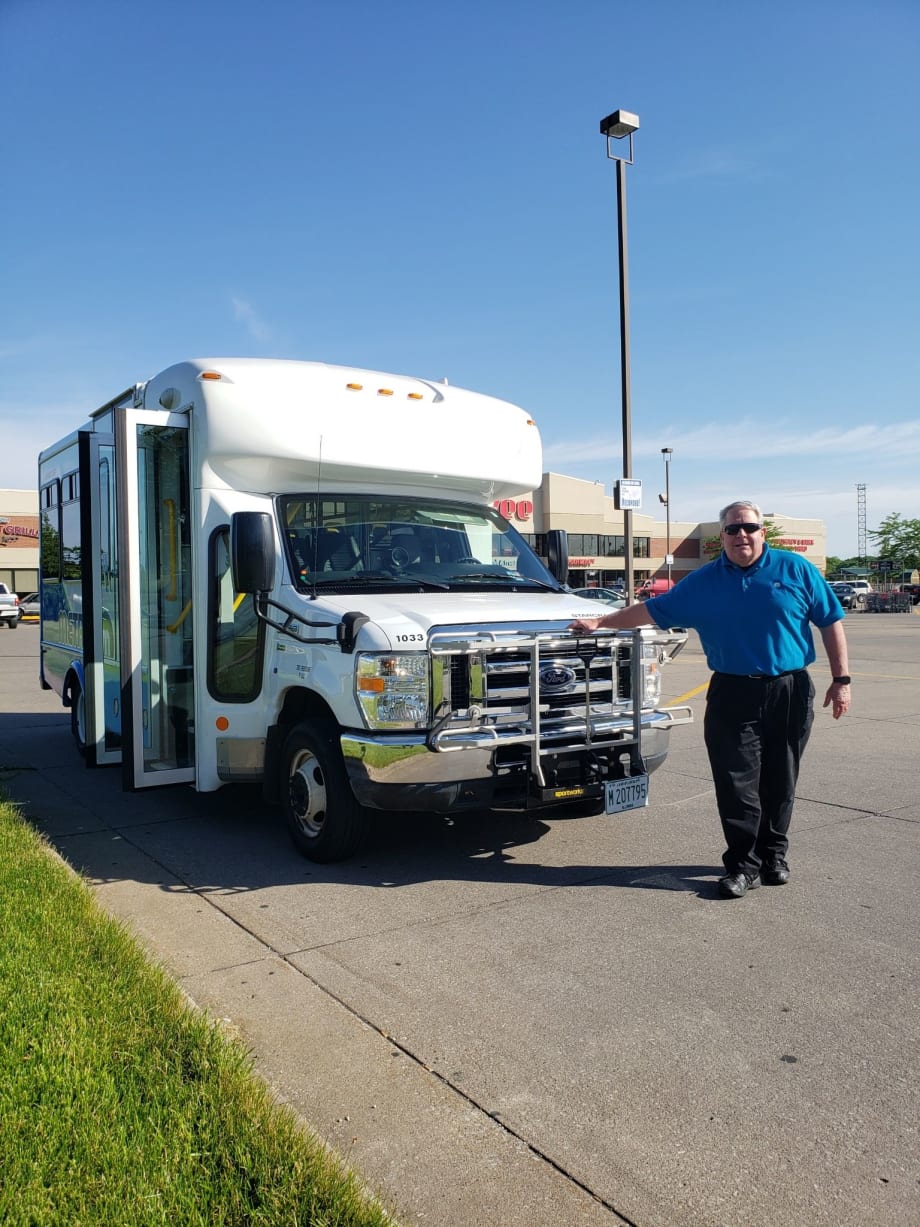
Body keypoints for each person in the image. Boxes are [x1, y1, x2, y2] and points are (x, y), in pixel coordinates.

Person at [570, 500, 850, 899]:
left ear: (762, 531)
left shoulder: (796, 570)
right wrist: (600, 621)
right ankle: (742, 864)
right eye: (733, 530)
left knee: (781, 777)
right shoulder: (704, 581)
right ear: (722, 537)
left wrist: (842, 679)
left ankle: (774, 855)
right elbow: (651, 610)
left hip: (790, 688)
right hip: (732, 691)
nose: (742, 536)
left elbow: (830, 623)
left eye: (749, 528)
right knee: (736, 781)